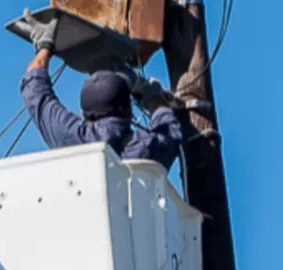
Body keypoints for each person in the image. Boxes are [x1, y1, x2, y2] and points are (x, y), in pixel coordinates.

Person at [18, 10, 184, 171]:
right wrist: (152, 97)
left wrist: (44, 45)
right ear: (129, 110)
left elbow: (34, 91)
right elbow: (171, 128)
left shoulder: (72, 139)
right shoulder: (149, 149)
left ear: (83, 113)